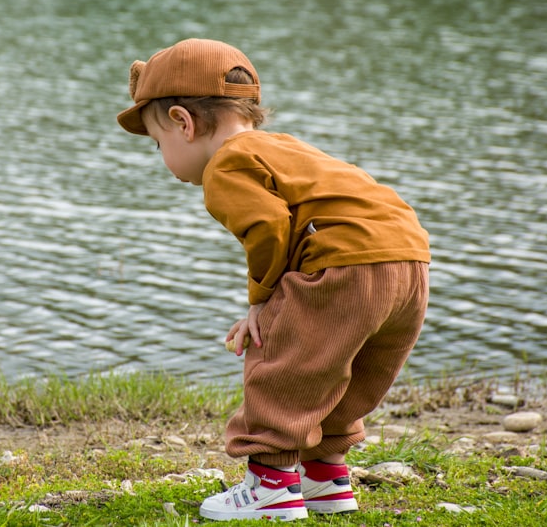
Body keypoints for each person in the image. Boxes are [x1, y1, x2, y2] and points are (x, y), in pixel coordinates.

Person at [116, 38, 431, 522]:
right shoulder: (286, 148)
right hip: (408, 261)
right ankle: (324, 479)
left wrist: (261, 302)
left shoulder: (228, 161)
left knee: (282, 361)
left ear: (183, 121)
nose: (162, 156)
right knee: (341, 371)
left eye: (159, 143)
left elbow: (267, 229)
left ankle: (271, 487)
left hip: (344, 261)